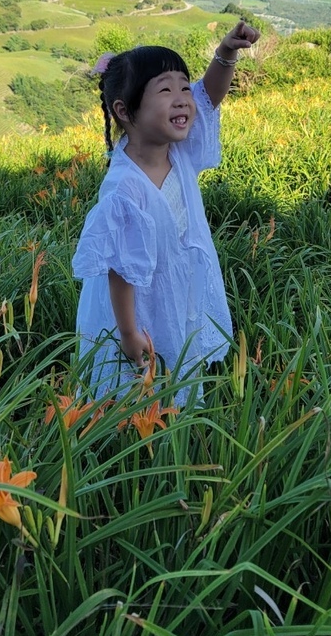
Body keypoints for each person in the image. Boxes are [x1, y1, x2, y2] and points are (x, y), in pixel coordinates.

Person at [72, 21, 260, 399]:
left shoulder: (179, 150)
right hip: (133, 307)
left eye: (183, 88)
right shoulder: (125, 188)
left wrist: (225, 53)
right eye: (165, 90)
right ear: (125, 110)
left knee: (177, 365)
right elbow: (120, 272)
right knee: (133, 383)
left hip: (176, 286)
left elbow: (209, 97)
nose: (182, 100)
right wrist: (127, 334)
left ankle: (177, 422)